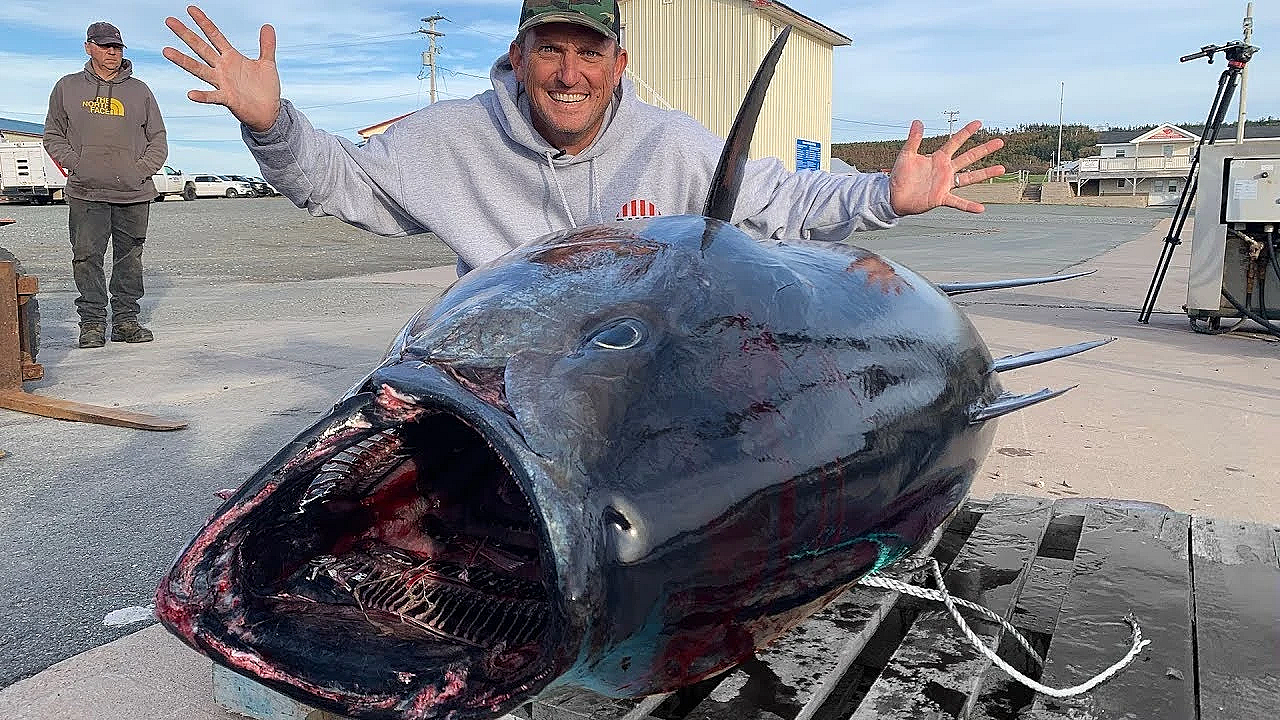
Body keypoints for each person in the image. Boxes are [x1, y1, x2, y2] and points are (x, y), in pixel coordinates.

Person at [163, 2, 1003, 277]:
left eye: (589, 51)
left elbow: (785, 201)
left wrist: (885, 197)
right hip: (504, 373)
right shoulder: (450, 136)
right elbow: (340, 180)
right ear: (518, 55)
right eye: (551, 49)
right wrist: (272, 125)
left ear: (617, 61)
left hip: (643, 371)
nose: (570, 73)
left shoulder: (672, 141)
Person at [44, 21, 167, 348]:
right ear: (89, 47)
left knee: (130, 258)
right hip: (87, 191)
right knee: (87, 257)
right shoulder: (67, 87)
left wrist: (138, 171)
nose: (112, 52)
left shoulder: (140, 91)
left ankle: (126, 322)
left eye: (117, 47)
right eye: (104, 46)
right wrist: (79, 165)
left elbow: (158, 139)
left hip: (133, 192)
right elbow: (53, 135)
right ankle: (93, 324)